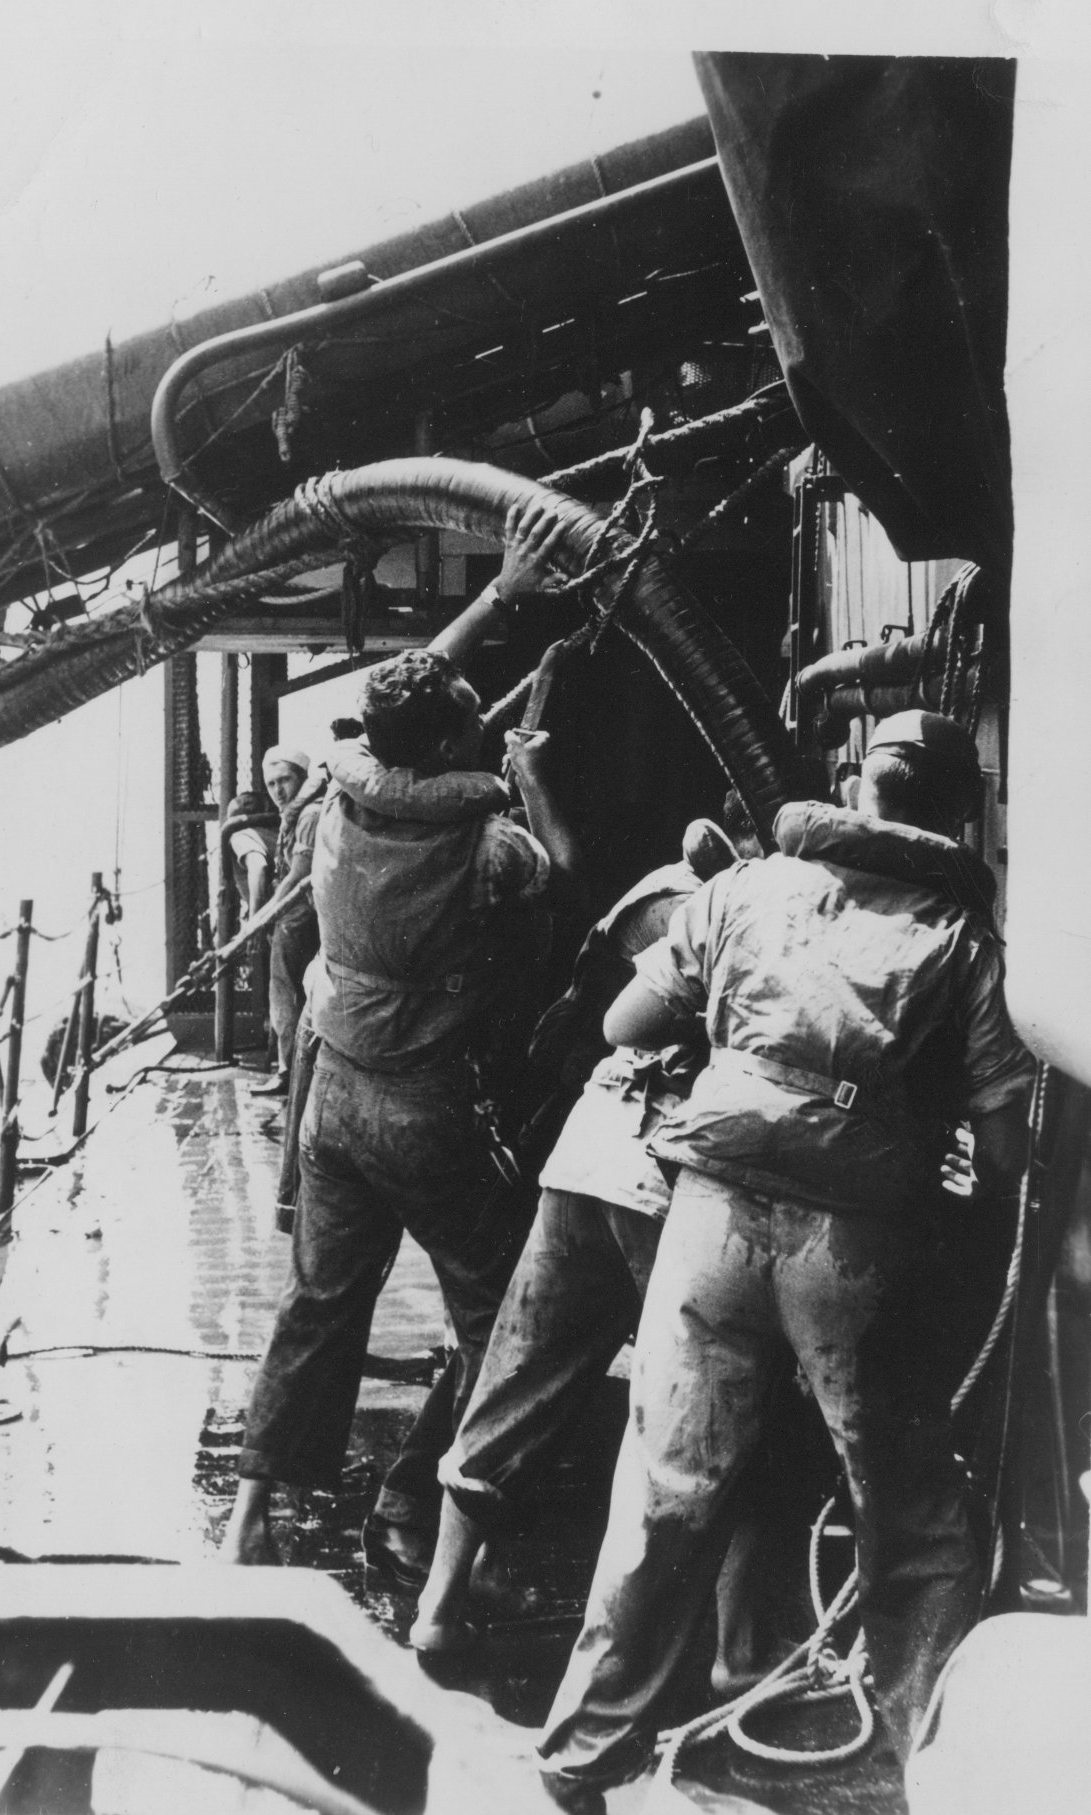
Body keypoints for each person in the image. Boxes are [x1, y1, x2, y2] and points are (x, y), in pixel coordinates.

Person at [536, 711, 1034, 1811]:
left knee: (664, 1489)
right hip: (849, 1241)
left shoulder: (742, 889)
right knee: (910, 1508)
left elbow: (623, 1025)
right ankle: (914, 1761)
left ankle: (578, 1755)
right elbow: (1005, 1152)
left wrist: (743, 1041)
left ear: (856, 786)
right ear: (962, 812)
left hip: (710, 1214)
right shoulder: (962, 939)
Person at [221, 498, 580, 1572]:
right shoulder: (489, 847)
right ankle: (418, 1503)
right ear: (458, 743)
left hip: (330, 1094)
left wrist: (500, 598)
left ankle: (248, 1522)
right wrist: (533, 778)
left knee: (318, 1305)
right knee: (498, 1311)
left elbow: (405, 695)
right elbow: (563, 879)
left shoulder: (334, 803)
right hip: (423, 1109)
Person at [409, 817, 748, 1655]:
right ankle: (735, 1651)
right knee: (721, 1402)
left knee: (514, 1379)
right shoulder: (742, 906)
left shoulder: (654, 893)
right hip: (668, 1161)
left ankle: (436, 1609)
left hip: (588, 1146)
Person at [250, 745, 322, 1098]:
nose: (278, 790)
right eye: (271, 784)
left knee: (286, 991)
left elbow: (299, 873)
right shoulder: (297, 813)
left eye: (285, 780)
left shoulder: (309, 815)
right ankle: (293, 1071)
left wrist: (264, 915)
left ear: (302, 778)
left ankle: (289, 1073)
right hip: (298, 911)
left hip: (300, 915)